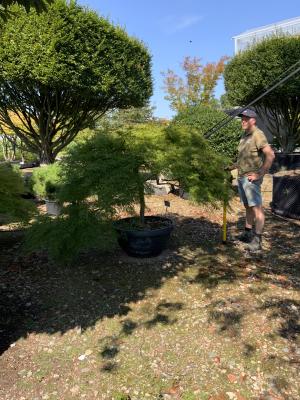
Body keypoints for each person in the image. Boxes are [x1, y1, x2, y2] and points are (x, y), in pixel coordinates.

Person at [236, 108, 275, 251]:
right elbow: (245, 157)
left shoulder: (258, 134)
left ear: (253, 120)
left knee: (257, 208)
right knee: (248, 207)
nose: (243, 121)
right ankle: (247, 233)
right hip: (241, 177)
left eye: (246, 118)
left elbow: (270, 155)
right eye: (242, 118)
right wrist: (233, 166)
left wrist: (260, 174)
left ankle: (257, 240)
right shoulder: (245, 136)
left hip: (251, 179)